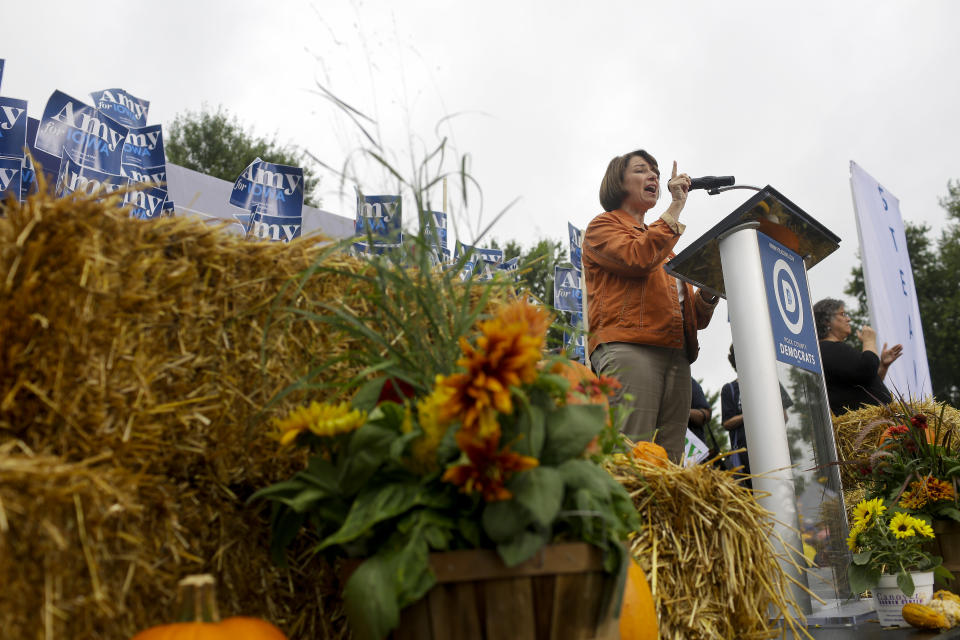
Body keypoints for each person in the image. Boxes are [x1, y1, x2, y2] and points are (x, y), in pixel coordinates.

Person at [583, 149, 719, 463]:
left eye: (655, 172)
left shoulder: (666, 251)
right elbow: (639, 257)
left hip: (677, 357)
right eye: (642, 170)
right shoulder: (602, 228)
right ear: (618, 183)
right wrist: (676, 205)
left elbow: (693, 319)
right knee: (631, 456)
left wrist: (711, 290)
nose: (654, 177)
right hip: (630, 349)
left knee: (668, 464)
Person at [813, 298, 903, 415]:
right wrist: (869, 341)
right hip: (869, 426)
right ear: (826, 321)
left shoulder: (832, 349)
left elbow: (864, 382)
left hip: (876, 424)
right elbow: (868, 368)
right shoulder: (828, 348)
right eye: (843, 314)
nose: (848, 319)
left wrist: (882, 367)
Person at [721, 344, 793, 486]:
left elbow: (784, 416)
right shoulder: (729, 389)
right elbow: (727, 423)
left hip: (772, 451)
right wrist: (753, 414)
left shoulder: (771, 382)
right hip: (743, 459)